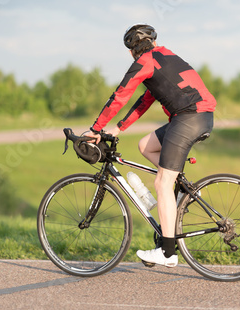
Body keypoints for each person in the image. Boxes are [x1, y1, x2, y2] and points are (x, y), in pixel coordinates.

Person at [84, 24, 216, 267]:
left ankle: (167, 253)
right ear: (154, 42)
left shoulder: (143, 61)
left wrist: (95, 128)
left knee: (161, 182)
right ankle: (181, 188)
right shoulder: (163, 56)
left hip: (188, 117)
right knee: (146, 145)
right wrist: (119, 127)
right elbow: (146, 99)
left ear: (131, 51)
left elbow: (120, 95)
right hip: (199, 116)